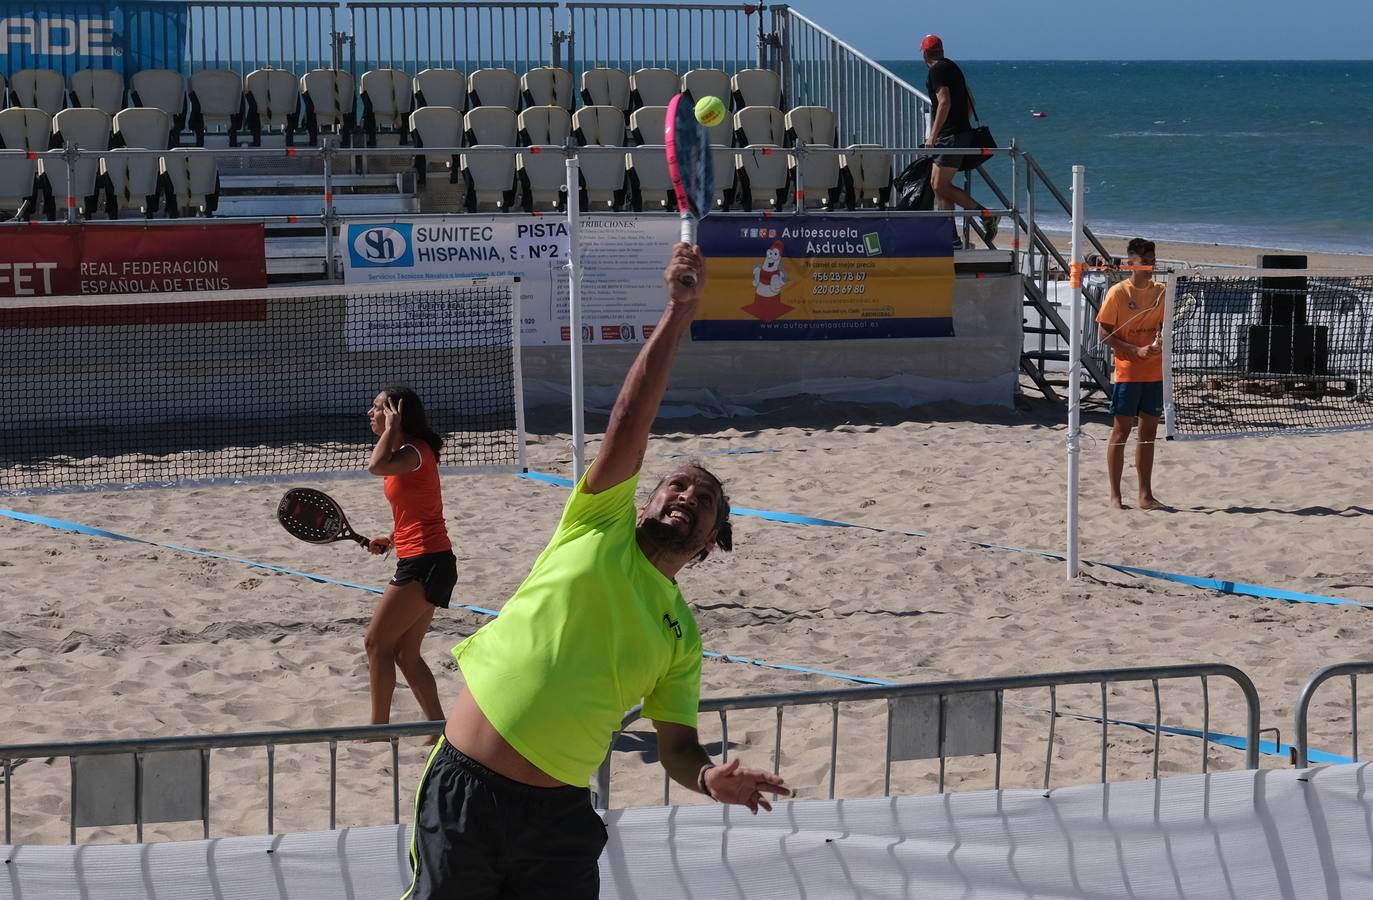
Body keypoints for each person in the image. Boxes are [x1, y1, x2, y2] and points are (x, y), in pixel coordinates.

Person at [403, 244, 790, 900]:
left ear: (708, 544)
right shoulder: (596, 523)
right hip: (465, 793)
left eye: (703, 502)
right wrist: (678, 313)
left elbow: (677, 746)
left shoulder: (682, 637)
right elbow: (629, 422)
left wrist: (704, 780)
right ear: (645, 498)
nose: (685, 498)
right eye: (677, 485)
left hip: (556, 823)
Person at [364, 385, 454, 738]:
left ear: (395, 414)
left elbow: (374, 466)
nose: (370, 414)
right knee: (405, 653)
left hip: (427, 562)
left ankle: (378, 729)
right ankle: (438, 726)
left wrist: (389, 429)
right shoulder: (407, 452)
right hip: (427, 557)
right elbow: (419, 511)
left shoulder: (415, 451)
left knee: (375, 643)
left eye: (376, 408)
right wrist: (391, 538)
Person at [1095, 238, 1165, 511]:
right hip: (1127, 373)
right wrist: (1135, 350)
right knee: (1121, 431)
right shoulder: (1118, 293)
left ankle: (1145, 495)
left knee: (1148, 434)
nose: (1149, 266)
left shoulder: (1161, 292)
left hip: (1154, 373)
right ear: (1131, 264)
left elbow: (1164, 327)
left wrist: (1158, 343)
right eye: (1144, 262)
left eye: (1152, 261)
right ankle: (1115, 496)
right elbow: (1104, 335)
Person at [919, 34, 998, 248]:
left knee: (939, 184)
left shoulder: (936, 71)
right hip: (958, 133)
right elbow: (970, 100)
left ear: (925, 54)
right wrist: (962, 122)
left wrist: (933, 136)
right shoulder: (953, 67)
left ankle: (986, 215)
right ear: (942, 51)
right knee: (939, 186)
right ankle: (950, 236)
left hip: (950, 136)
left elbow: (944, 102)